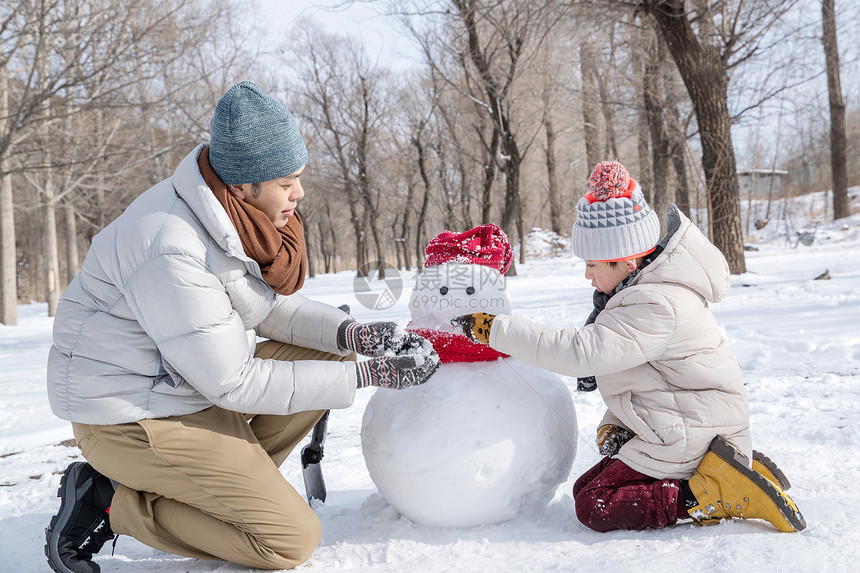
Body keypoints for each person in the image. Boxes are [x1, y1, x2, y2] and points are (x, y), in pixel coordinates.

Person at [44, 81, 438, 573]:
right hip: (131, 416)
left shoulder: (223, 216)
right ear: (243, 184)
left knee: (329, 355)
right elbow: (235, 383)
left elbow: (264, 310)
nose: (300, 193)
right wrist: (372, 374)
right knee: (289, 540)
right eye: (285, 181)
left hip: (181, 391)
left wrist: (353, 336)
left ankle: (227, 489)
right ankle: (108, 499)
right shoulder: (171, 246)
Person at [453, 161, 805, 534]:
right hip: (688, 422)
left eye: (592, 264)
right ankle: (730, 466)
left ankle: (712, 491)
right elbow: (654, 378)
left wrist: (497, 330)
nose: (587, 274)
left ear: (627, 261)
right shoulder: (643, 292)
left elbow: (582, 352)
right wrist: (619, 422)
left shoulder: (653, 303)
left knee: (594, 503)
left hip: (692, 430)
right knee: (589, 488)